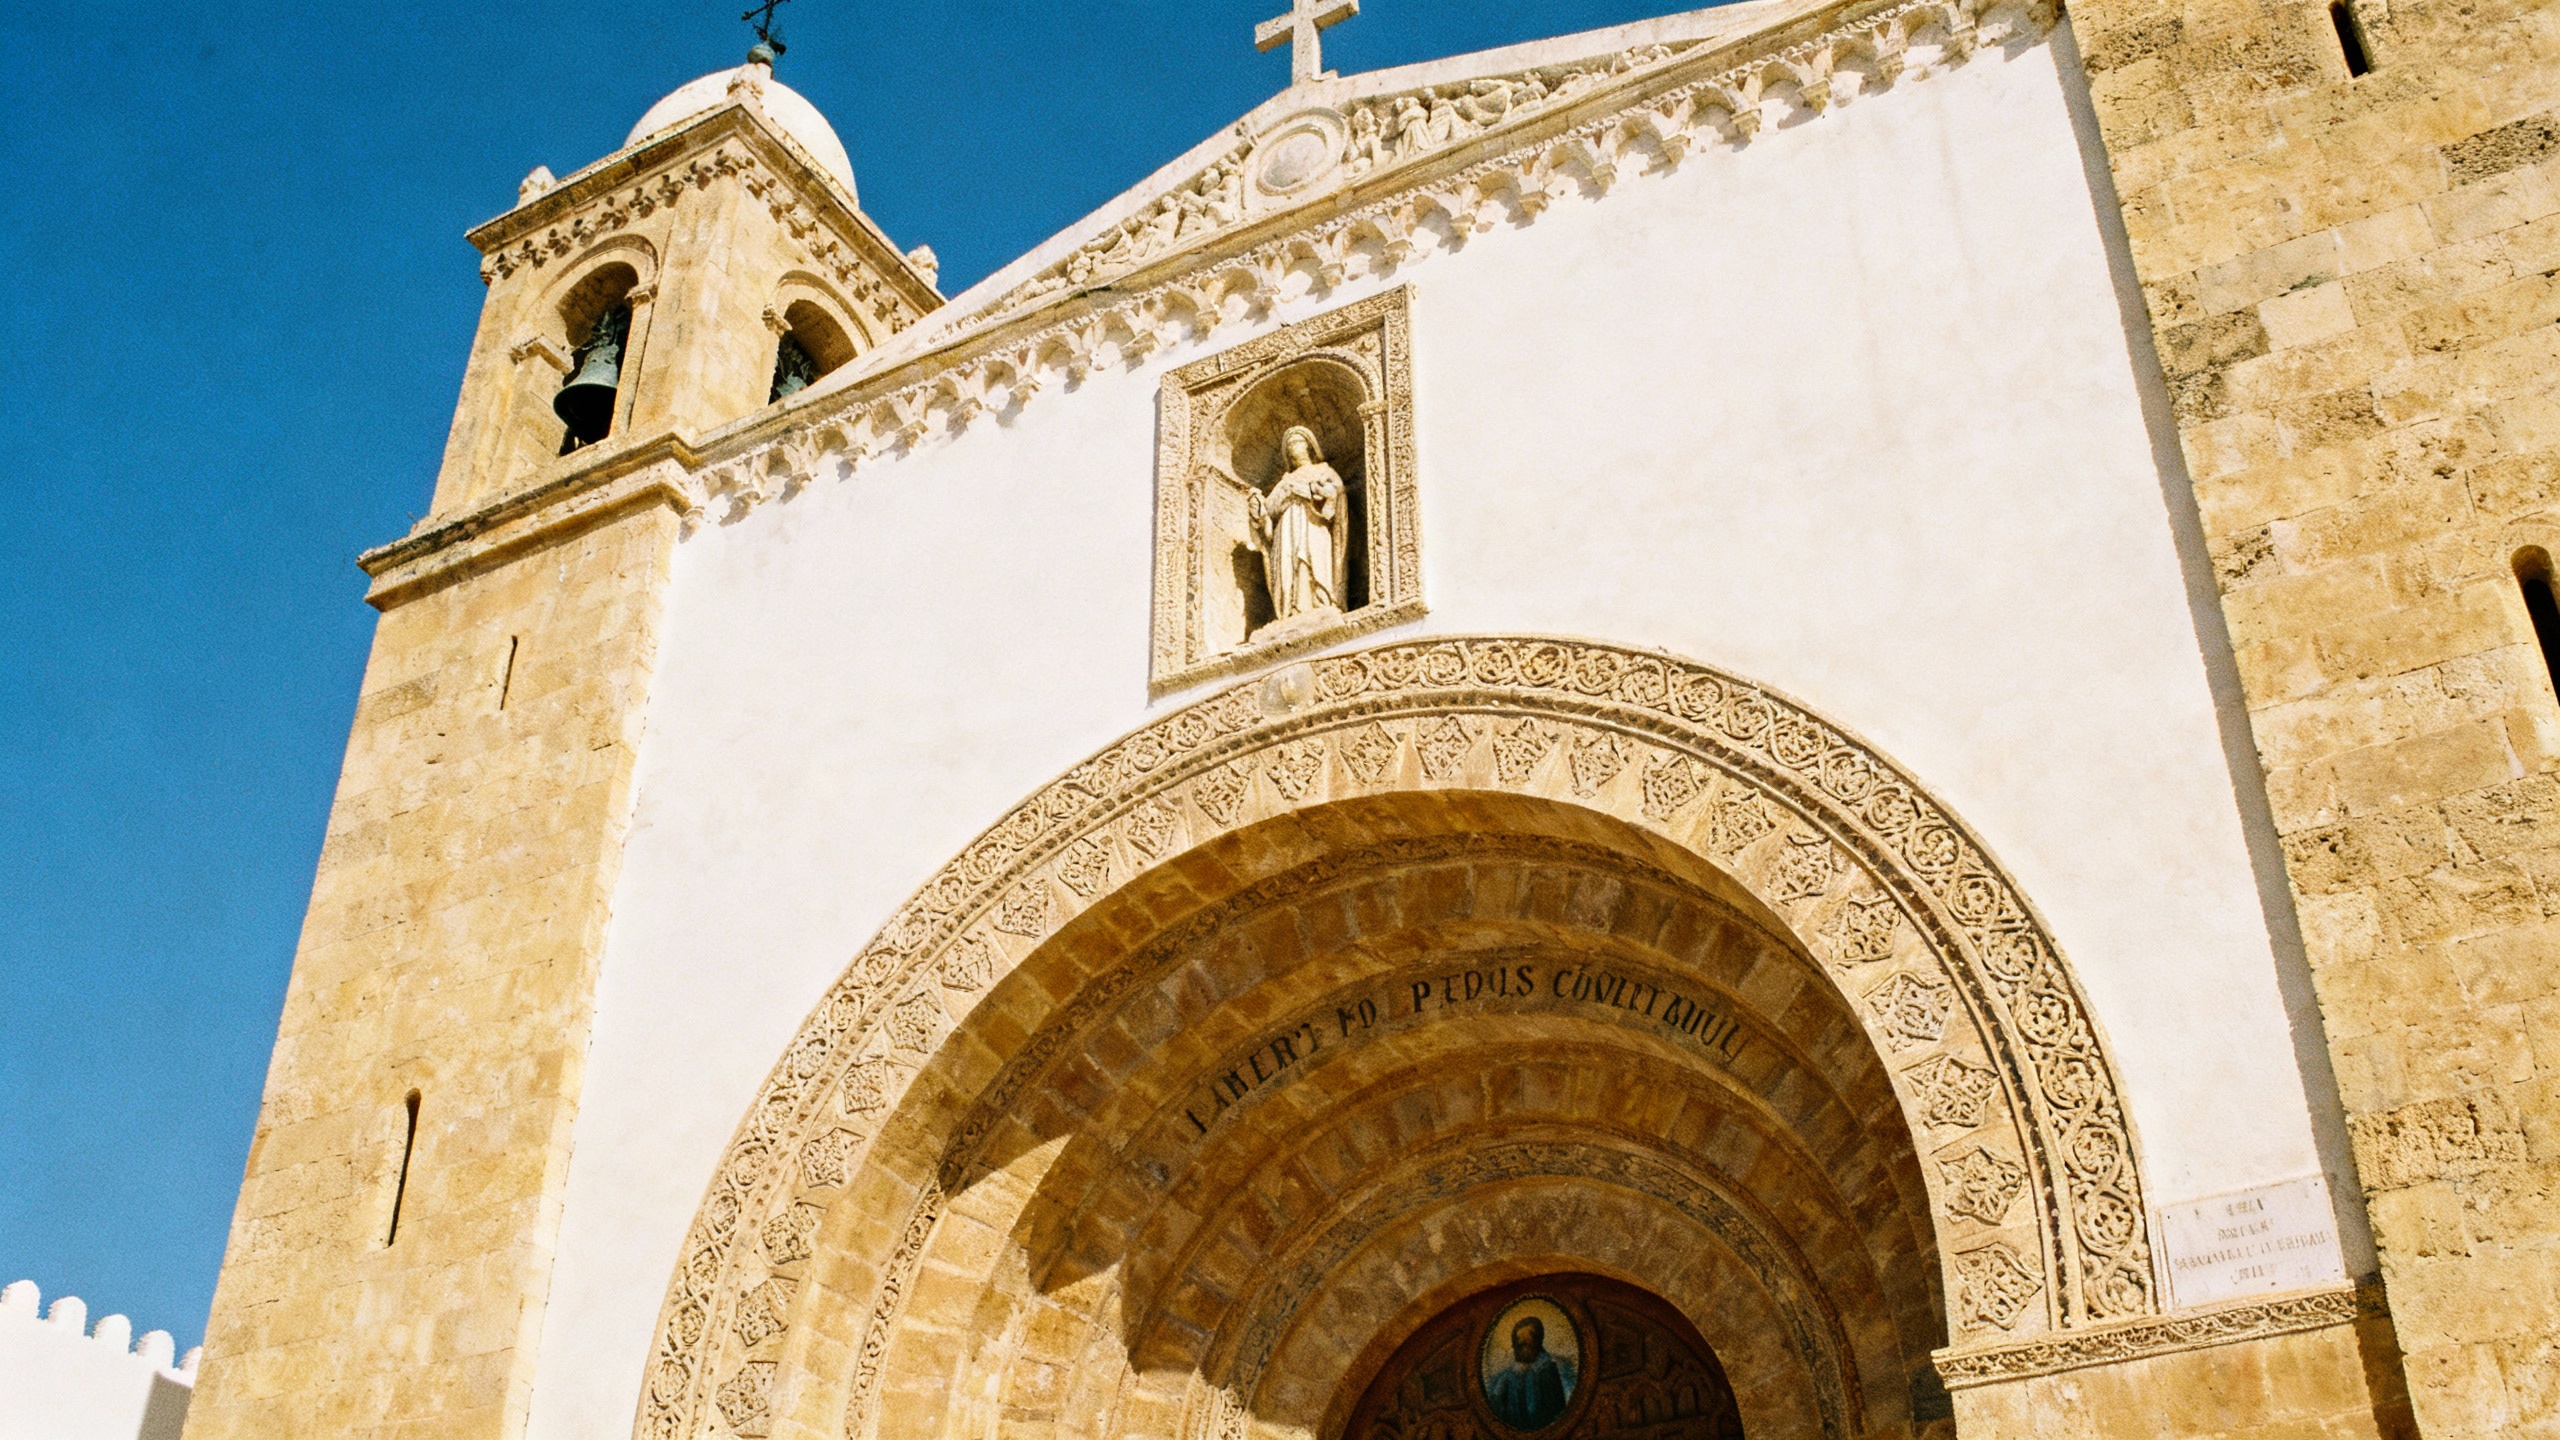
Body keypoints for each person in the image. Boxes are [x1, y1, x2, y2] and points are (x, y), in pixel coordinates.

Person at [1246, 426, 1347, 623]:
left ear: (1309, 445)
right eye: (1290, 444)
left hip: (1313, 526)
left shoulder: (1323, 470)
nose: (1294, 447)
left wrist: (1309, 491)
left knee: (1311, 560)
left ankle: (1319, 603)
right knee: (1289, 565)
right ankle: (1291, 609)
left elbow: (1335, 496)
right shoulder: (1286, 480)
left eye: (1298, 441)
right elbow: (1270, 510)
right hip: (1287, 529)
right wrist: (1258, 509)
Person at [1485, 1314, 1570, 1429]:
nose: (1518, 1348)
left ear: (1537, 1343)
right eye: (1516, 1344)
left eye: (1524, 1343)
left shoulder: (1546, 1371)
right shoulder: (1507, 1376)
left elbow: (1549, 1415)